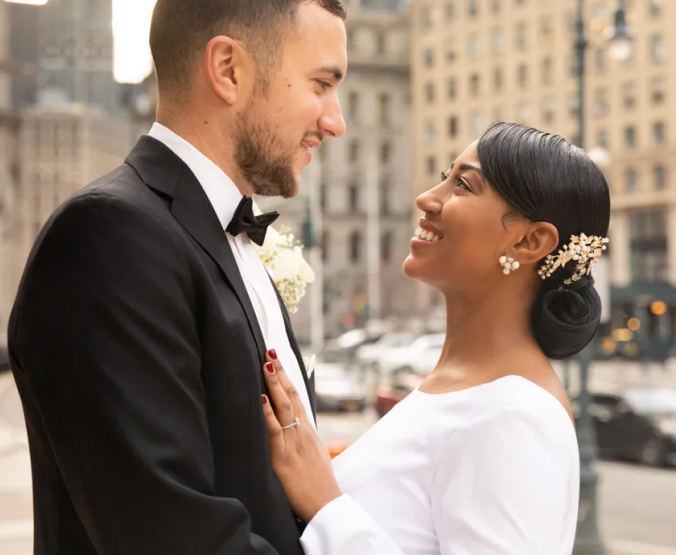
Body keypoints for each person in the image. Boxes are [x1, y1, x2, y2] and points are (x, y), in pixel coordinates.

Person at [8, 0, 348, 555]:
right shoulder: (109, 240)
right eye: (322, 84)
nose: (335, 119)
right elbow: (173, 536)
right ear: (228, 69)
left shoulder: (224, 237)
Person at [260, 122, 610, 554]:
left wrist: (323, 504)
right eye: (445, 176)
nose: (427, 198)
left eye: (462, 184)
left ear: (530, 241)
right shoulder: (465, 390)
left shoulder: (514, 415)